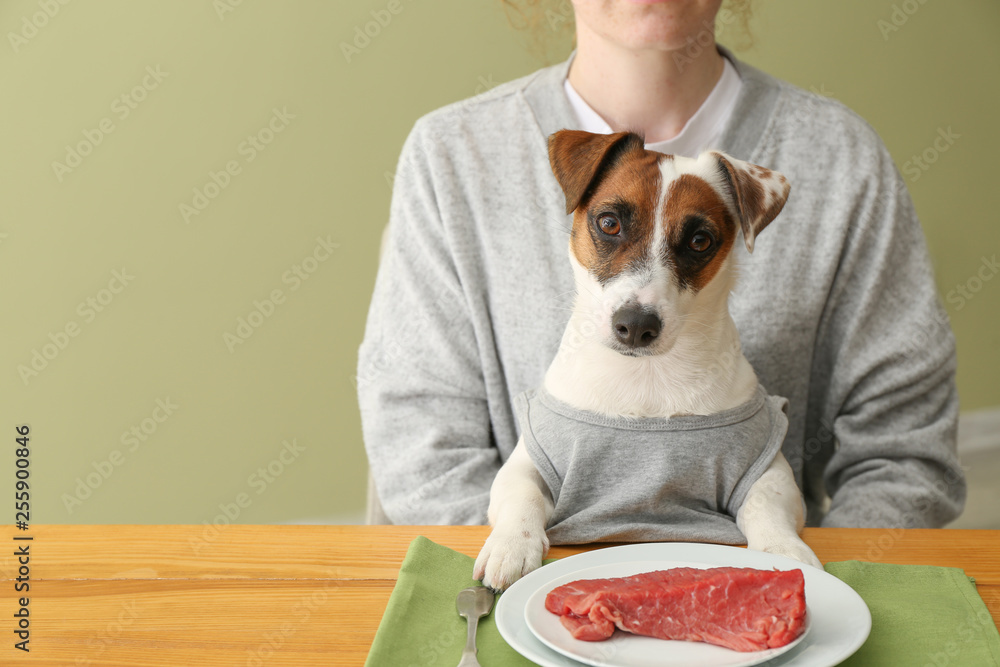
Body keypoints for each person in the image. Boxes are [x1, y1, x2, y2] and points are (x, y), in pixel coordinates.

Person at [356, 0, 965, 530]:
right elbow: (421, 448)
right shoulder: (450, 157)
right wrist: (548, 601)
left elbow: (904, 453)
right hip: (535, 610)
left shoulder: (842, 159)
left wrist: (794, 598)